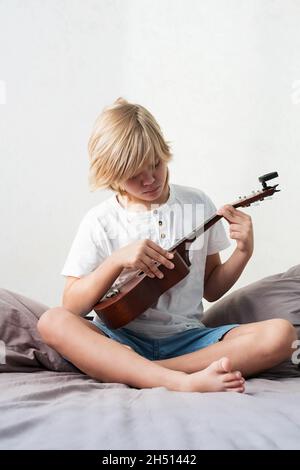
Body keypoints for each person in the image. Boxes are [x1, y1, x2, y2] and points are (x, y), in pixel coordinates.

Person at [37, 98, 296, 393]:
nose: (150, 180)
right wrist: (116, 261)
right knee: (52, 321)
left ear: (164, 152)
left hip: (188, 342)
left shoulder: (197, 204)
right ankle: (180, 381)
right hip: (119, 339)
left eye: (156, 165)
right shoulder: (100, 221)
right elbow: (71, 306)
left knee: (281, 334)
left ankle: (139, 371)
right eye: (134, 175)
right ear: (111, 176)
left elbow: (211, 289)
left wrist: (243, 252)